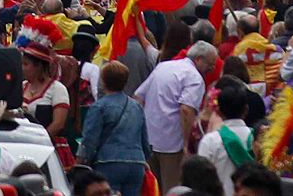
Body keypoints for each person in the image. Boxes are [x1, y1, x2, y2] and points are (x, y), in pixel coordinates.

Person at [138, 40, 216, 185]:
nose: (212, 69)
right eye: (210, 64)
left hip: (148, 139)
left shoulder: (163, 66)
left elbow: (138, 97)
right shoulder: (194, 77)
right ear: (199, 59)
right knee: (171, 188)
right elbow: (186, 110)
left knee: (152, 189)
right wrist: (186, 145)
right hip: (173, 144)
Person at [80, 61, 150, 196]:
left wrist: (81, 160)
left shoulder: (99, 107)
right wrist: (145, 159)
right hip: (136, 163)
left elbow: (90, 138)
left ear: (104, 81)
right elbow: (144, 139)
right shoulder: (136, 107)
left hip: (108, 161)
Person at [195, 81, 258, 192]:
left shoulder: (210, 141)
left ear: (218, 111)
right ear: (246, 110)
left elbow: (200, 179)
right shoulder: (258, 139)